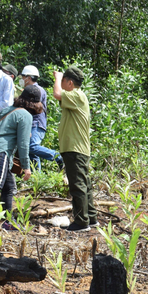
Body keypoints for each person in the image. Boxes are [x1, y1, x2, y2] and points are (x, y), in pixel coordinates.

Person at [0, 85, 41, 222]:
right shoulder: (25, 115)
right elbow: (23, 144)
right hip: (0, 152)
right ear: (36, 103)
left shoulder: (8, 110)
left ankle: (8, 221)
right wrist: (26, 166)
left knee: (9, 187)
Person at [53, 66, 95, 232]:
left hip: (75, 149)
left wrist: (57, 77)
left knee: (77, 185)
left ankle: (81, 222)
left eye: (63, 81)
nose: (61, 84)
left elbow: (57, 94)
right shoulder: (76, 97)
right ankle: (90, 218)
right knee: (84, 184)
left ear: (70, 83)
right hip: (77, 148)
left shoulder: (76, 95)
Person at [21, 65, 63, 170]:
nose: (21, 79)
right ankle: (36, 178)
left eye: (23, 77)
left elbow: (33, 109)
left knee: (32, 147)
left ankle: (58, 157)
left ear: (29, 78)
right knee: (32, 153)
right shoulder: (30, 89)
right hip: (32, 123)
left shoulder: (37, 90)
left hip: (36, 124)